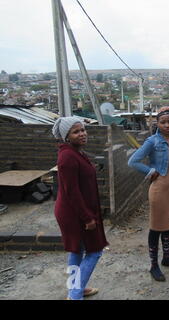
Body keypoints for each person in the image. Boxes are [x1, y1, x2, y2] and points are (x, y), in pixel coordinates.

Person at [128, 106, 169, 281]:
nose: (167, 125)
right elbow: (132, 161)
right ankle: (154, 265)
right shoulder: (152, 141)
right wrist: (149, 171)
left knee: (168, 224)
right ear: (156, 124)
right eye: (163, 122)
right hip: (159, 190)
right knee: (156, 227)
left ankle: (167, 257)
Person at [52, 117, 108, 300]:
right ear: (66, 137)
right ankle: (75, 294)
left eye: (83, 130)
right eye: (76, 132)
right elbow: (72, 192)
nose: (82, 133)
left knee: (77, 250)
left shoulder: (75, 152)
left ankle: (75, 287)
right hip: (74, 214)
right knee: (95, 251)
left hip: (75, 211)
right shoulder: (67, 157)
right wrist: (87, 218)